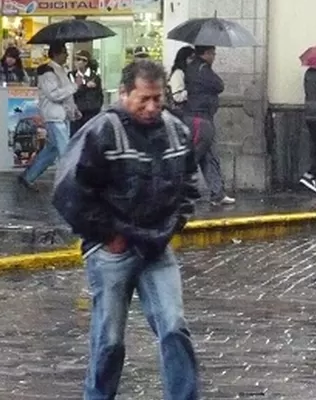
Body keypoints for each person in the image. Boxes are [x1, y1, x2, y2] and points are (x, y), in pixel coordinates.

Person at [52, 59, 200, 400]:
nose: (151, 107)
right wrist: (108, 235)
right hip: (112, 251)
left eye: (157, 99)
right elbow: (69, 190)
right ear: (124, 95)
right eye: (143, 99)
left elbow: (190, 182)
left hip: (157, 247)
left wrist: (174, 224)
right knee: (110, 339)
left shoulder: (175, 131)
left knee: (174, 327)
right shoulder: (102, 130)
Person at [18, 43, 80, 188]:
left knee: (51, 151)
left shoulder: (59, 70)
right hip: (54, 115)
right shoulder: (48, 72)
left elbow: (64, 94)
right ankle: (69, 183)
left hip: (60, 115)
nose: (66, 55)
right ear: (57, 54)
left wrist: (73, 108)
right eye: (64, 52)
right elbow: (54, 94)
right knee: (65, 150)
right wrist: (74, 86)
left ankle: (29, 176)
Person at [184, 45, 235, 206]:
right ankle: (180, 191)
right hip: (201, 118)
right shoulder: (202, 69)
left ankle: (217, 193)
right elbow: (219, 85)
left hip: (199, 117)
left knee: (208, 156)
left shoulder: (193, 67)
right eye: (212, 53)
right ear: (205, 53)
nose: (214, 57)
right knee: (197, 156)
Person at [70, 50, 104, 135]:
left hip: (92, 112)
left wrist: (97, 107)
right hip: (77, 113)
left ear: (86, 62)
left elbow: (99, 95)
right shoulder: (71, 75)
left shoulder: (94, 77)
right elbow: (72, 93)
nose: (77, 62)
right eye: (76, 59)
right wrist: (85, 87)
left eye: (79, 59)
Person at [167, 45, 194, 114]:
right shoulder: (178, 73)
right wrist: (192, 90)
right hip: (180, 112)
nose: (193, 61)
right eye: (191, 58)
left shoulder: (186, 73)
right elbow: (177, 97)